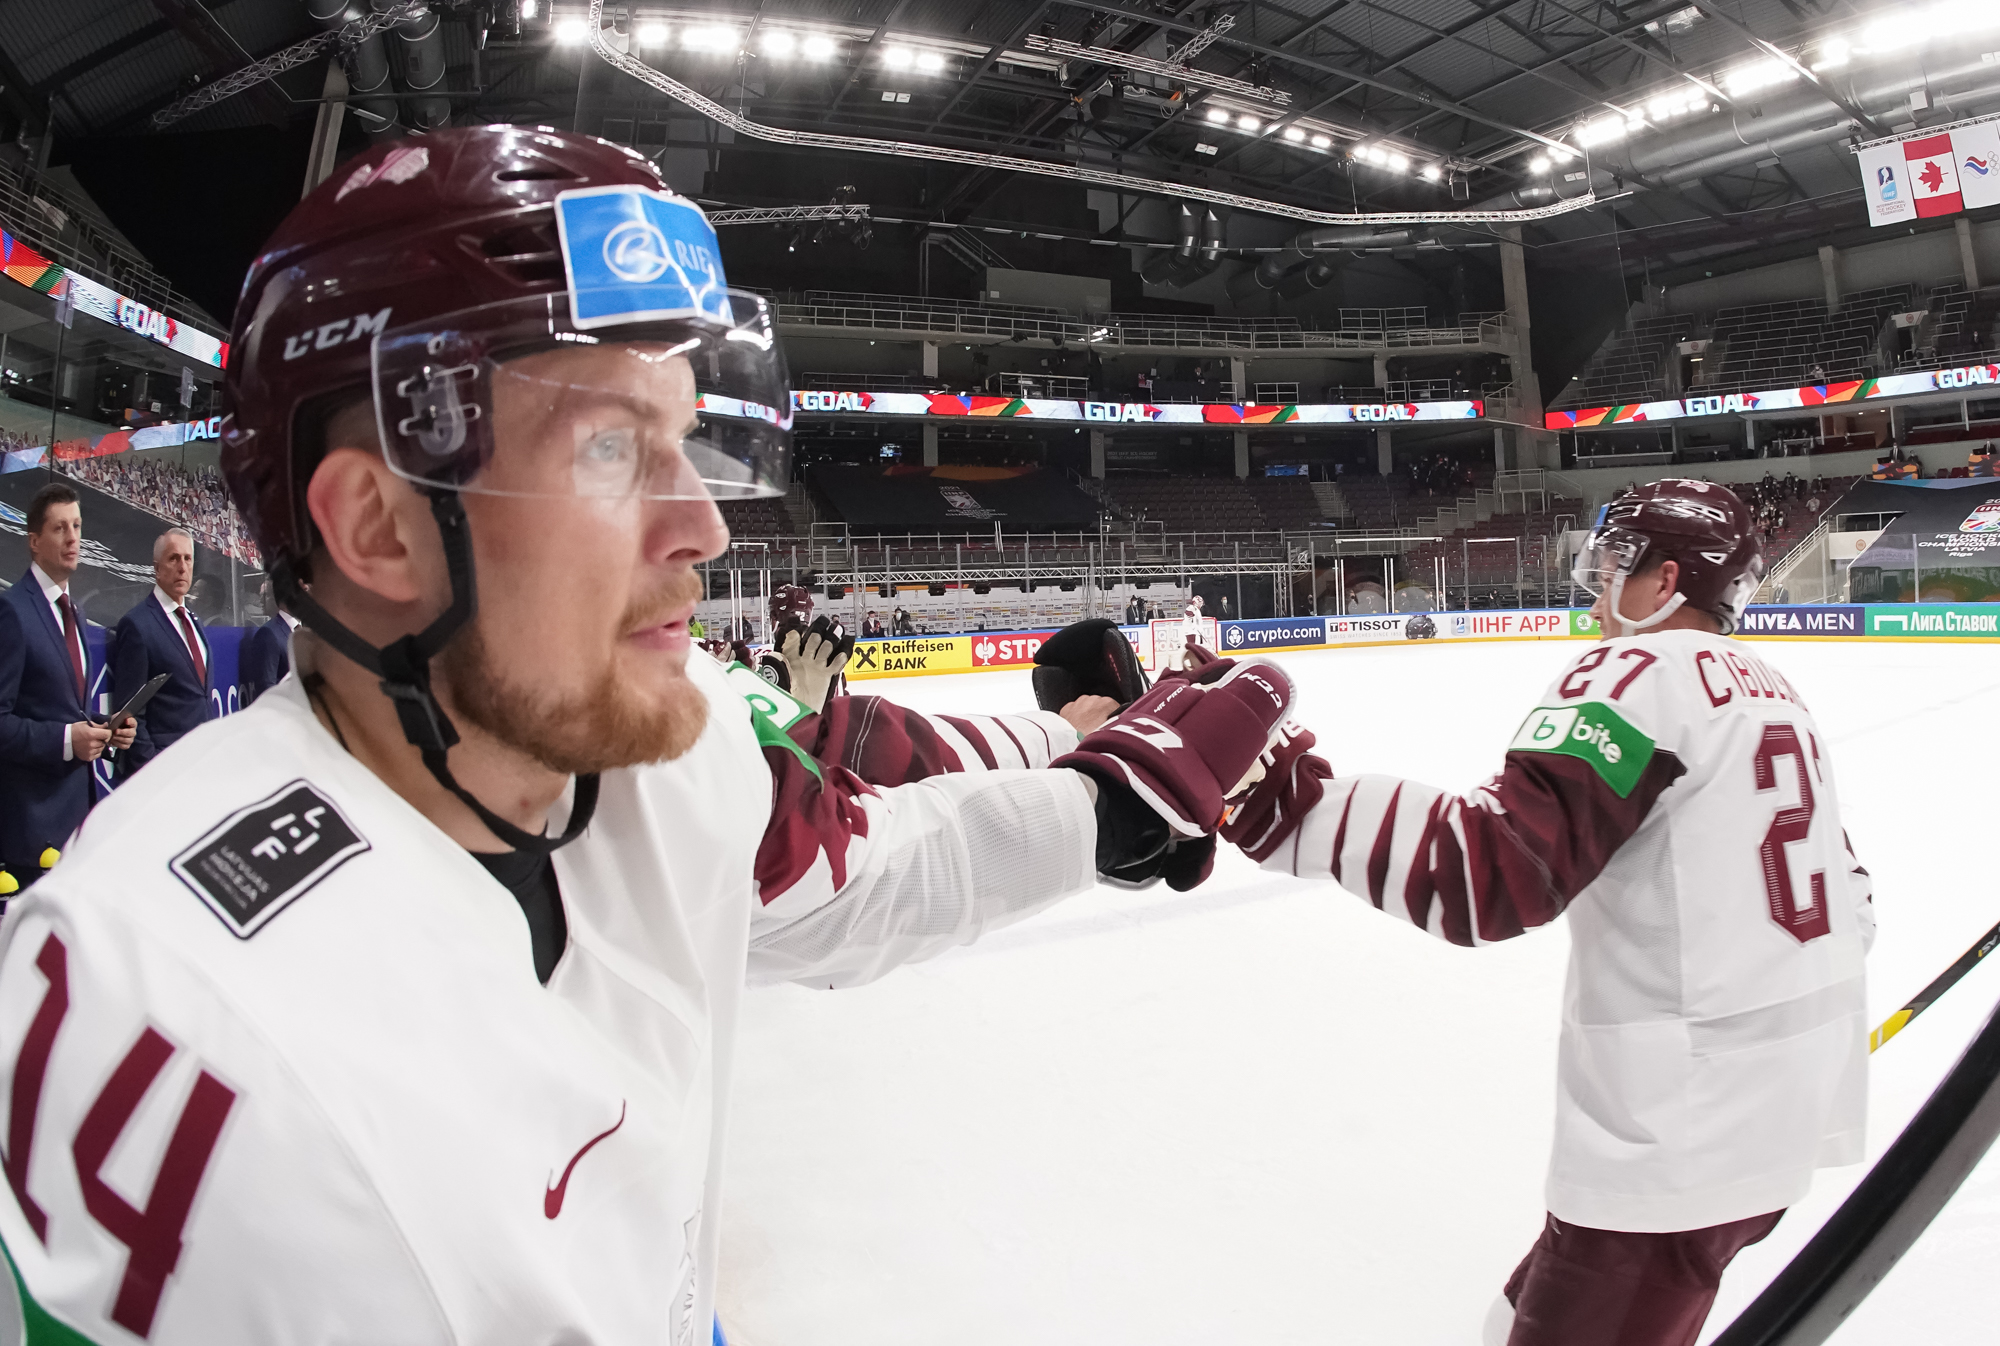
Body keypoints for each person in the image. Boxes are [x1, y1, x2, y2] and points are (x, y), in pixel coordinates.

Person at [0, 127, 1293, 1344]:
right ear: (380, 527)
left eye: (687, 439)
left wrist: (1111, 804)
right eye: (613, 448)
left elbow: (861, 873)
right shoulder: (171, 1018)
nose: (708, 531)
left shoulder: (651, 745)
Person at [1220, 480, 1873, 1346]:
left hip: (1680, 1136)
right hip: (1779, 1113)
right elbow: (1852, 901)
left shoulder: (1638, 672)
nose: (1598, 583)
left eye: (1617, 563)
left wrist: (1288, 805)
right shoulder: (1774, 688)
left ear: (1667, 580)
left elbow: (1489, 873)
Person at [0, 482, 135, 890]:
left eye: (76, 526)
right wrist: (66, 740)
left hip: (75, 818)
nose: (73, 537)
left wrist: (102, 729)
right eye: (60, 528)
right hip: (29, 829)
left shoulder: (74, 610)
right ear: (35, 542)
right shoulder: (12, 610)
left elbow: (59, 711)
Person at [110, 527, 217, 775]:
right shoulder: (138, 625)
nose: (182, 566)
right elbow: (130, 714)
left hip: (202, 765)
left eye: (187, 558)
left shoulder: (194, 620)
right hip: (166, 772)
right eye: (173, 558)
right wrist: (154, 773)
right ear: (157, 568)